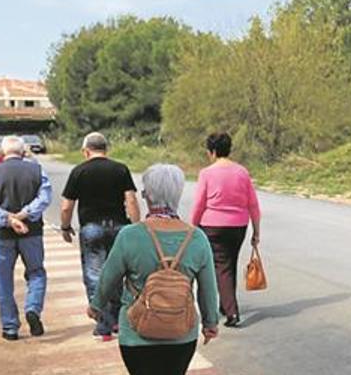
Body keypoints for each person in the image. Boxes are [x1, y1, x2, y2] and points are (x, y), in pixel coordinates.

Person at [89, 164, 219, 375]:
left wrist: (96, 306)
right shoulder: (197, 238)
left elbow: (108, 277)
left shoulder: (130, 235)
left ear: (147, 196)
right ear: (178, 194)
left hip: (136, 335)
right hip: (182, 334)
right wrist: (210, 322)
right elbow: (208, 289)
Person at [60, 132, 140, 341]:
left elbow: (67, 206)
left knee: (95, 274)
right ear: (106, 149)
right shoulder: (120, 169)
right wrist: (137, 227)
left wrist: (65, 227)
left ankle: (104, 323)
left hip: (91, 228)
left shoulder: (79, 171)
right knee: (120, 273)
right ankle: (117, 319)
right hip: (119, 227)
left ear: (85, 151)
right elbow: (131, 200)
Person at [0, 135, 52, 340]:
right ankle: (33, 308)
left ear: (2, 153)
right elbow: (45, 198)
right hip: (32, 232)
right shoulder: (37, 170)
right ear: (23, 152)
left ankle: (10, 327)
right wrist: (23, 215)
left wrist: (8, 219)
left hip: (2, 235)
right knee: (36, 272)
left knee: (3, 281)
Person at [190, 132, 261, 327]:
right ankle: (225, 304)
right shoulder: (242, 172)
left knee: (220, 267)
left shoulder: (206, 173)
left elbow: (199, 204)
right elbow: (253, 204)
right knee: (228, 264)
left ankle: (231, 311)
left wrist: (191, 227)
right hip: (239, 225)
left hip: (212, 225)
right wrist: (256, 231)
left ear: (212, 151)